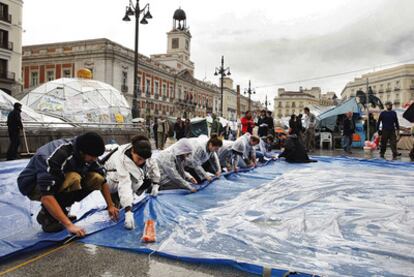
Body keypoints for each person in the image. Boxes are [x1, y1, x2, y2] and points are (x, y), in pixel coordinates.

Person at [17, 132, 119, 236]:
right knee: (74, 178)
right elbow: (46, 195)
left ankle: (60, 210)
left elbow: (103, 180)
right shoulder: (55, 156)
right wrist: (69, 225)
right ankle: (47, 216)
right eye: (92, 157)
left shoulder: (86, 152)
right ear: (82, 152)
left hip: (58, 179)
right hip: (32, 185)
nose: (94, 159)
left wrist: (110, 205)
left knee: (96, 178)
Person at [104, 135, 160, 230]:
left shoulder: (145, 152)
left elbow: (153, 166)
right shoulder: (121, 157)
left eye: (143, 160)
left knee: (146, 181)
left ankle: (126, 201)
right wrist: (128, 211)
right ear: (133, 151)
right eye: (138, 159)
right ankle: (116, 199)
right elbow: (124, 183)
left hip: (130, 176)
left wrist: (156, 184)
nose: (141, 162)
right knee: (123, 197)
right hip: (112, 177)